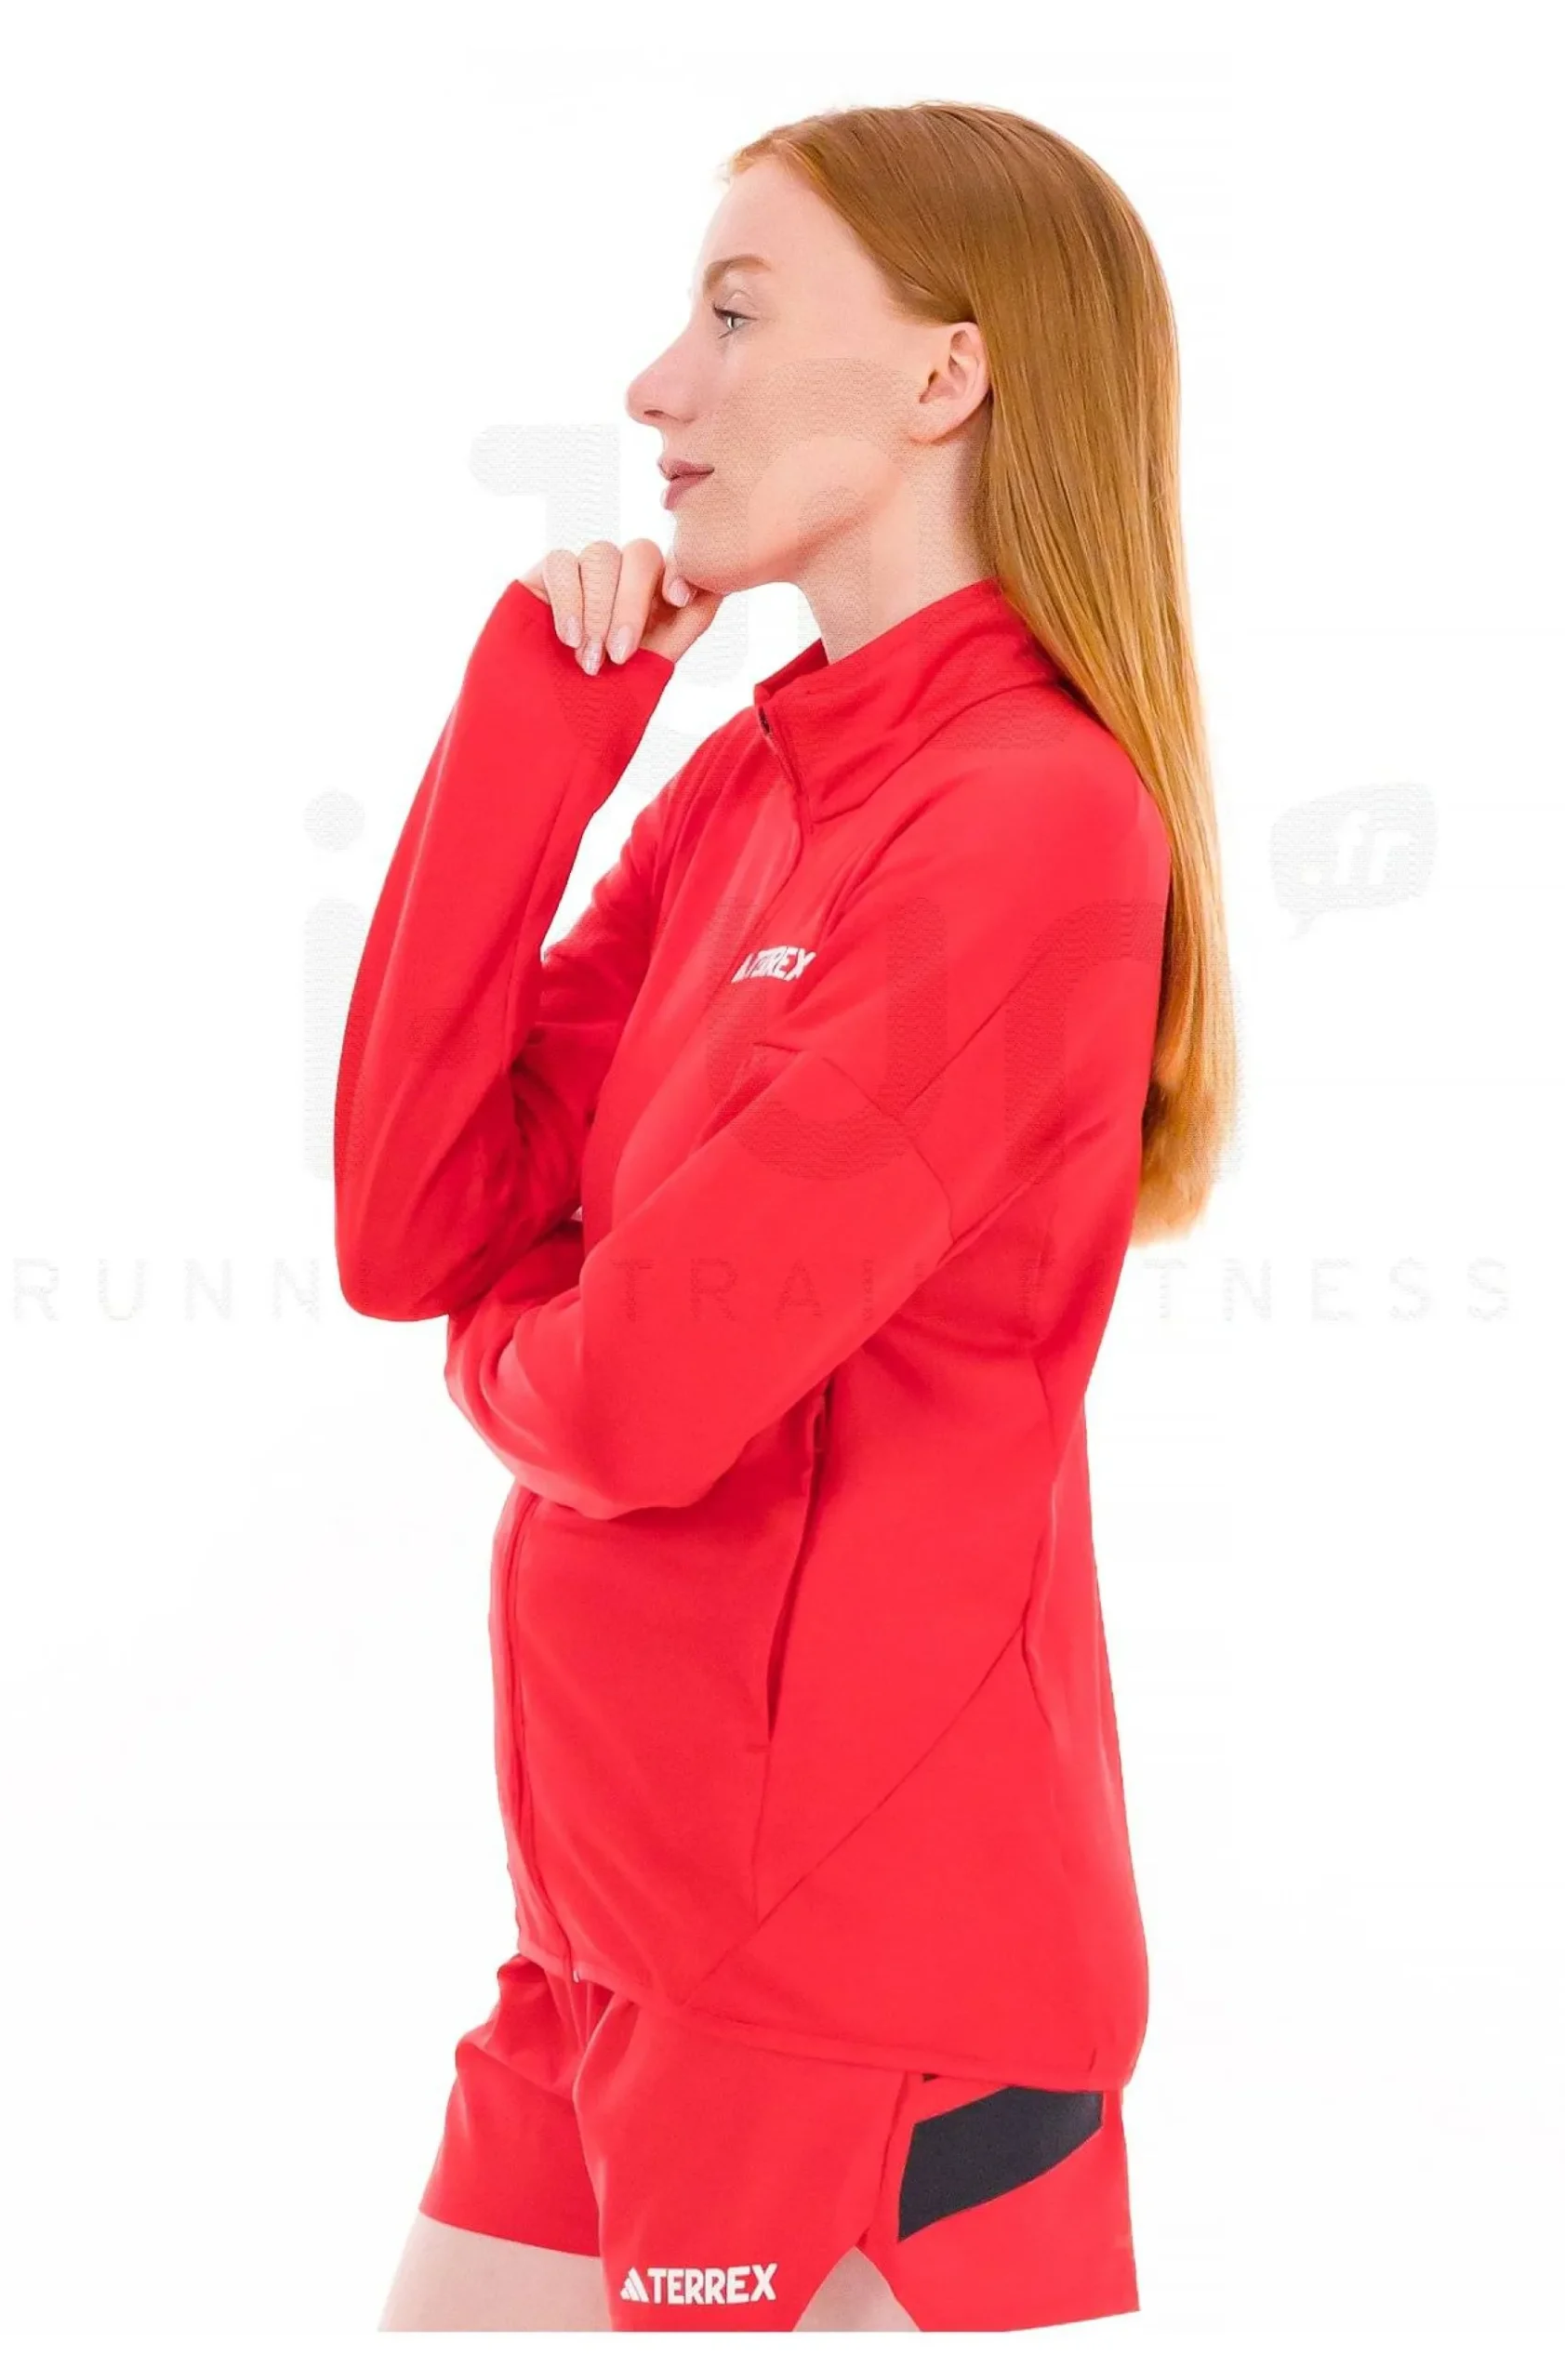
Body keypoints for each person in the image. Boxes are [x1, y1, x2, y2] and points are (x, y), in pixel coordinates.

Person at [335, 99, 1237, 2334]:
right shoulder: (754, 778)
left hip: (847, 1982)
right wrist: (540, 725)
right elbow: (405, 1219)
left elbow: (631, 1403)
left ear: (945, 374)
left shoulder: (1028, 823)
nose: (658, 383)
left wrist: (508, 1339)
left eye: (734, 314)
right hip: (605, 1935)